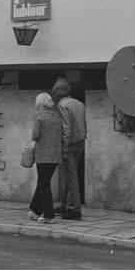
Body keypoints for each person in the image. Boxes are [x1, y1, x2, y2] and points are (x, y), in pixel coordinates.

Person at [52, 78, 86, 220]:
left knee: (70, 177)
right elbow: (84, 123)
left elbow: (66, 128)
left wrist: (64, 147)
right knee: (70, 175)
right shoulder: (80, 104)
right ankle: (65, 204)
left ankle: (74, 209)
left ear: (57, 92)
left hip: (70, 144)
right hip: (80, 142)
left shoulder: (62, 105)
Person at [27, 92, 63, 224]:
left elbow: (35, 135)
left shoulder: (39, 116)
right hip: (55, 155)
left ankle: (49, 215)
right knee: (43, 181)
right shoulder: (57, 116)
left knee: (44, 184)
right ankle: (34, 210)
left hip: (43, 155)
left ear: (39, 103)